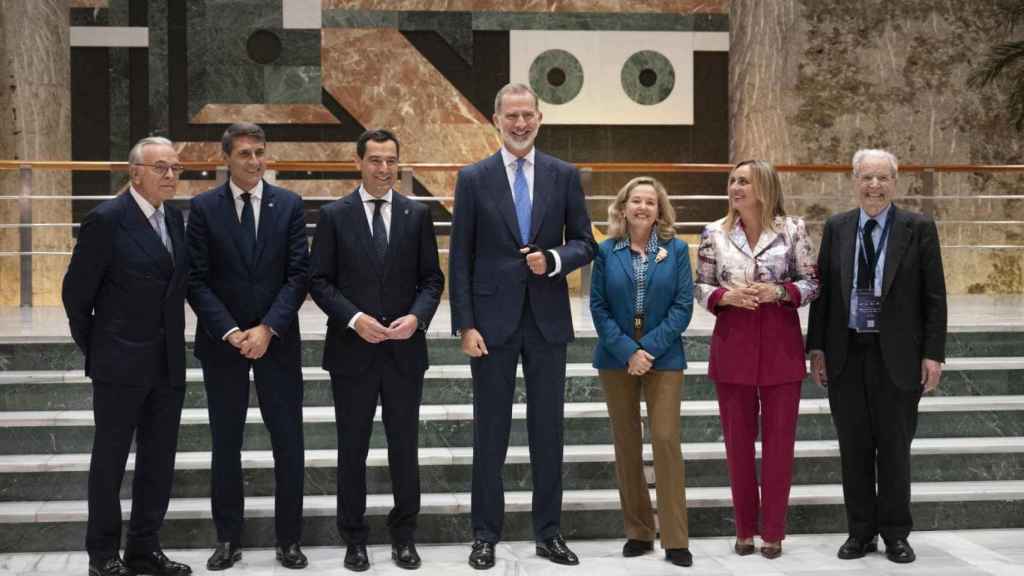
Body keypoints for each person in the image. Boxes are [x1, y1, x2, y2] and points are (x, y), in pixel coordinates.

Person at [448, 82, 596, 570]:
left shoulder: (564, 174)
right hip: (491, 325)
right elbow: (462, 259)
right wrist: (464, 324)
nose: (520, 123)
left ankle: (548, 533)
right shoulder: (473, 178)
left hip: (547, 323)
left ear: (539, 118)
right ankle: (484, 534)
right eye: (511, 116)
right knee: (489, 433)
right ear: (496, 120)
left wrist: (554, 259)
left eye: (527, 115)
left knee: (547, 432)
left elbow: (583, 243)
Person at [309, 129, 444, 572]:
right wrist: (354, 319)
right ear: (359, 162)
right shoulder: (333, 215)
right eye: (375, 160)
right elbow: (320, 280)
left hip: (404, 352)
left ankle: (404, 535)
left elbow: (432, 279)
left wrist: (417, 318)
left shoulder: (416, 214)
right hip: (353, 352)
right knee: (353, 448)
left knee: (404, 447)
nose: (384, 168)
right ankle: (355, 538)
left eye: (391, 161)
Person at [807, 148, 946, 564]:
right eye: (866, 177)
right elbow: (824, 294)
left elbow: (934, 297)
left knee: (894, 448)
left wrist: (933, 354)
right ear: (854, 181)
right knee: (854, 448)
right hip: (846, 352)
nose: (874, 186)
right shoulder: (838, 227)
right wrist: (816, 348)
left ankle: (896, 534)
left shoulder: (917, 228)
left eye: (883, 178)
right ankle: (860, 532)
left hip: (898, 356)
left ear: (895, 182)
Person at [62, 136, 192, 576]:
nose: (170, 175)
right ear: (135, 172)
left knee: (158, 462)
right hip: (119, 364)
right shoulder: (106, 219)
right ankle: (102, 554)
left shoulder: (174, 220)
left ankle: (144, 548)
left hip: (167, 363)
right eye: (161, 168)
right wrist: (99, 348)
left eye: (175, 168)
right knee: (111, 462)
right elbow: (76, 295)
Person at [186, 123, 310, 570]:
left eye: (260, 152)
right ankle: (227, 538)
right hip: (224, 345)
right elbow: (195, 278)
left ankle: (289, 540)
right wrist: (230, 330)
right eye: (245, 154)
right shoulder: (202, 208)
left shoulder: (289, 205)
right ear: (227, 158)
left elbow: (299, 275)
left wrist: (267, 329)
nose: (255, 161)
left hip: (276, 343)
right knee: (226, 443)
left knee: (289, 443)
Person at [694, 160, 818, 559]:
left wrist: (780, 293)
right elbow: (701, 284)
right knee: (737, 444)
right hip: (733, 342)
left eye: (744, 181)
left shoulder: (793, 229)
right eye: (732, 181)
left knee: (781, 444)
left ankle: (774, 532)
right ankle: (745, 529)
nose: (735, 187)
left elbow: (812, 281)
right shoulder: (714, 232)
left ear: (765, 186)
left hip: (780, 342)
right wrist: (724, 297)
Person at [589, 177, 694, 567]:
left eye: (651, 202)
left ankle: (676, 538)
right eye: (637, 200)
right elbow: (597, 307)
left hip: (663, 357)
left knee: (666, 441)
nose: (643, 207)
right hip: (616, 358)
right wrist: (627, 350)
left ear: (660, 210)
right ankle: (638, 531)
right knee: (626, 443)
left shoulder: (677, 250)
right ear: (623, 207)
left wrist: (646, 349)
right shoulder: (606, 251)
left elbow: (683, 307)